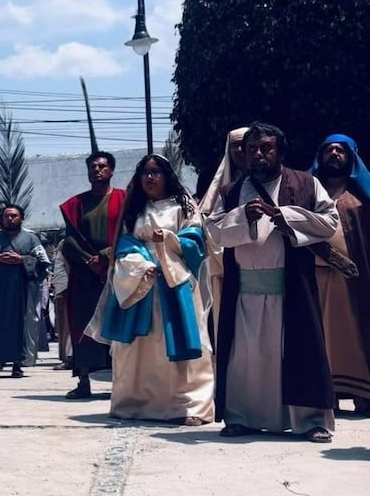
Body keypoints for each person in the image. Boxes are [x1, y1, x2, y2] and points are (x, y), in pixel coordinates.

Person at [206, 123, 338, 442]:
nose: (259, 154)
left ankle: (311, 420)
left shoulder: (307, 184)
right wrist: (243, 217)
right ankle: (243, 417)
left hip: (292, 287)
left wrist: (286, 217)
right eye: (252, 149)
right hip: (246, 292)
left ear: (280, 151)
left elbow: (329, 222)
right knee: (247, 357)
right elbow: (213, 229)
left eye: (266, 148)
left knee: (301, 350)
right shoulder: (233, 191)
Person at [92, 154, 214, 425]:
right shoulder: (134, 209)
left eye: (156, 172)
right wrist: (140, 263)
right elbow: (124, 243)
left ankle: (186, 405)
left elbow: (195, 241)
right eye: (145, 173)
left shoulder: (183, 207)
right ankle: (135, 402)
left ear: (166, 175)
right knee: (140, 347)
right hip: (141, 281)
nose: (150, 177)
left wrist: (169, 240)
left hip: (175, 280)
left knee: (177, 338)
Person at [310, 134, 370, 415]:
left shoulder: (362, 197)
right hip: (314, 277)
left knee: (356, 335)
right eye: (329, 150)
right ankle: (326, 393)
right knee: (319, 335)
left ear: (351, 157)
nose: (334, 154)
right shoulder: (310, 193)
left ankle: (362, 393)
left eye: (340, 150)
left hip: (354, 281)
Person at [60, 152, 126, 398]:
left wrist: (108, 256)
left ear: (111, 170)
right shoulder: (76, 204)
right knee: (83, 324)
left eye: (102, 166)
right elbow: (69, 240)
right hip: (85, 275)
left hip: (118, 271)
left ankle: (121, 382)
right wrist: (90, 261)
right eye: (93, 167)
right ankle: (84, 381)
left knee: (117, 325)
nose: (97, 170)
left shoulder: (124, 199)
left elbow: (131, 231)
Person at [0, 204, 49, 378]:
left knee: (23, 324)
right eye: (7, 216)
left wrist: (22, 259)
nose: (10, 219)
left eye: (14, 216)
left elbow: (43, 262)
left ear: (21, 218)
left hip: (23, 292)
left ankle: (18, 364)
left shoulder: (31, 239)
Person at [199, 127, 249, 330]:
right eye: (234, 145)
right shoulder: (210, 177)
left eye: (243, 145)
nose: (239, 150)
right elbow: (206, 216)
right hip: (222, 255)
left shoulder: (267, 175)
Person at [51, 239, 73, 369]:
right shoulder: (65, 243)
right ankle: (68, 357)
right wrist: (62, 288)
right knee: (67, 326)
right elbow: (60, 267)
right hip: (67, 288)